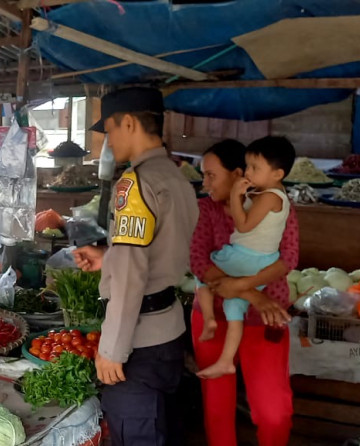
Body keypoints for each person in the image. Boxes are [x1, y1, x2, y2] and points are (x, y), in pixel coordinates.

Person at [72, 87, 198, 446]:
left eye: (109, 131)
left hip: (138, 342)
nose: (109, 142)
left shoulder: (136, 183)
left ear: (128, 123)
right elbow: (161, 249)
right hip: (169, 330)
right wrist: (109, 256)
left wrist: (111, 349)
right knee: (167, 430)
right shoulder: (176, 176)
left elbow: (131, 277)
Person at [190, 139, 298, 446]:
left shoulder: (274, 203)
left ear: (240, 174)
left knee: (274, 412)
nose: (204, 182)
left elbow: (288, 257)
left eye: (211, 175)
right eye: (204, 175)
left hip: (264, 321)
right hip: (214, 318)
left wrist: (241, 287)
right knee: (217, 408)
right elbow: (199, 262)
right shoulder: (205, 209)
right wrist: (253, 294)